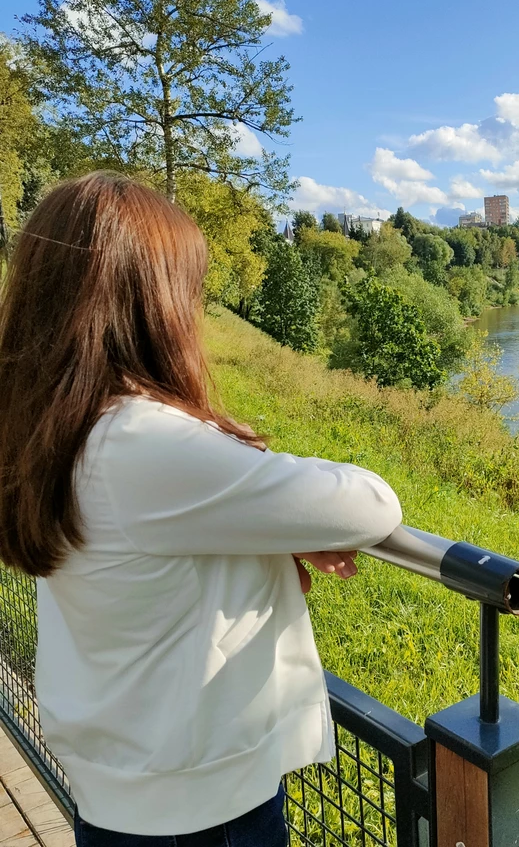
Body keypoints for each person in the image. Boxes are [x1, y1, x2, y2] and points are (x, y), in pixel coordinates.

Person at [0, 172, 403, 845]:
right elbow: (369, 502)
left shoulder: (57, 428)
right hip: (202, 812)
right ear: (147, 301)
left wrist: (266, 531)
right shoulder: (141, 443)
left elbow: (159, 546)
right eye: (188, 286)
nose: (195, 307)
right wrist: (271, 506)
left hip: (129, 791)